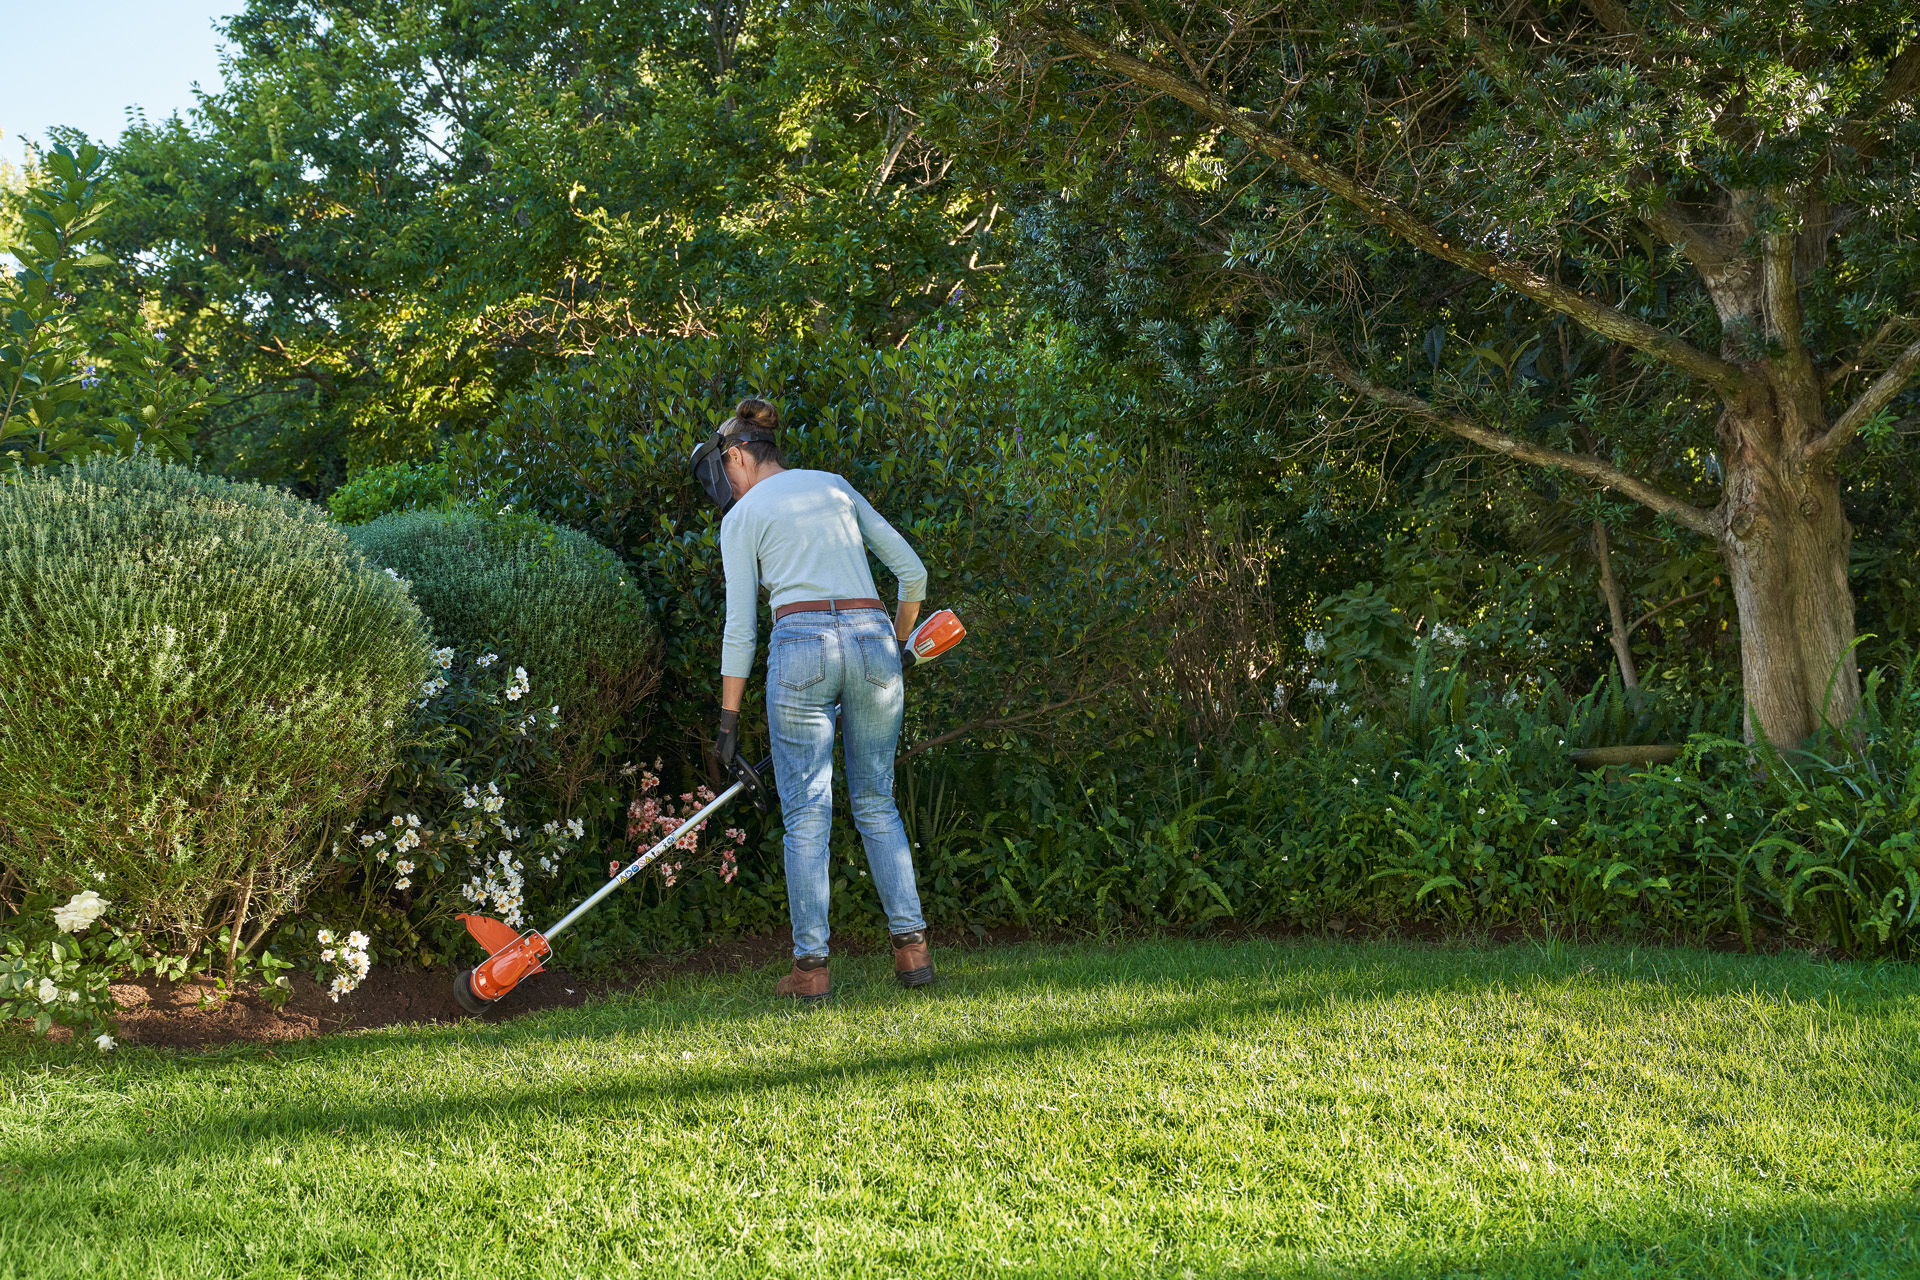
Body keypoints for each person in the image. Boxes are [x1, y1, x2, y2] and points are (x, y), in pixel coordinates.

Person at [704, 397, 934, 1003]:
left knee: (807, 811)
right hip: (874, 642)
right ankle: (913, 953)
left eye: (724, 470)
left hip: (802, 643)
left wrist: (728, 722)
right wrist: (901, 641)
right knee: (876, 802)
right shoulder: (834, 488)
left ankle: (811, 971)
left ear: (738, 457)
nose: (726, 484)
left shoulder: (744, 515)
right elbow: (912, 573)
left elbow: (741, 628)